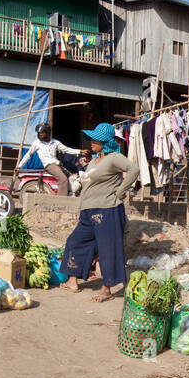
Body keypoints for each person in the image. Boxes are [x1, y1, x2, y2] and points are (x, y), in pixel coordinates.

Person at [61, 123, 137, 301]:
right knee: (75, 241)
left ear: (105, 142)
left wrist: (121, 191)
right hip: (88, 211)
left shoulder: (114, 157)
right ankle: (73, 281)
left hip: (107, 209)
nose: (91, 142)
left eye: (96, 139)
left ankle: (106, 290)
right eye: (92, 139)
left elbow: (134, 169)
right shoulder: (95, 161)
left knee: (107, 249)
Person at [17, 123, 81, 196]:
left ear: (48, 133)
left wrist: (80, 151)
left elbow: (66, 149)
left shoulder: (55, 142)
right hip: (49, 165)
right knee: (63, 179)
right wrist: (20, 166)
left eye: (42, 133)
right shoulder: (37, 143)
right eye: (39, 133)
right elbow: (28, 155)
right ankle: (61, 201)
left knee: (72, 178)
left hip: (58, 165)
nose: (40, 134)